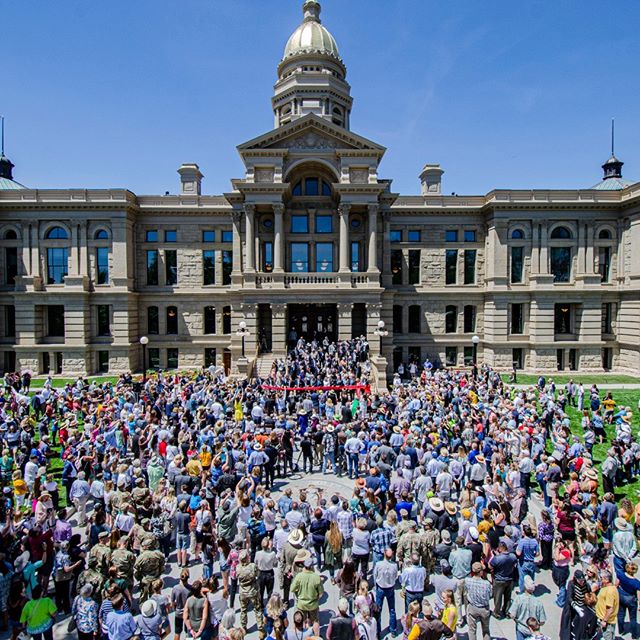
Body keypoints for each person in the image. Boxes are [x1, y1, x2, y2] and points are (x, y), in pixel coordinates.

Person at [290, 556, 324, 637]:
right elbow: (321, 593)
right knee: (315, 621)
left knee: (302, 621)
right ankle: (316, 637)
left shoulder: (299, 576)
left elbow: (292, 589)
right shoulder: (316, 577)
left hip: (301, 604)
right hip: (313, 604)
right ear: (312, 566)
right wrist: (316, 599)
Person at [372, 547, 398, 637]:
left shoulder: (378, 564)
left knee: (378, 610)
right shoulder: (394, 565)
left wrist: (376, 586)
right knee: (392, 610)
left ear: (384, 554)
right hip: (390, 588)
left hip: (380, 588)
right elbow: (395, 576)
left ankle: (378, 632)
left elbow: (375, 575)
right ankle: (393, 630)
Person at [464, 562, 492, 640]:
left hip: (473, 607)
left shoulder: (467, 581)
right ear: (480, 572)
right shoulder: (487, 583)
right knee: (486, 630)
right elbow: (490, 595)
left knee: (472, 630)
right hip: (484, 609)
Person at [595, 570, 619, 640]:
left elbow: (610, 608)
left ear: (607, 580)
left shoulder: (610, 591)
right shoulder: (607, 587)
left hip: (607, 622)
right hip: (603, 618)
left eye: (601, 578)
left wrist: (604, 621)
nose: (600, 580)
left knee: (607, 637)